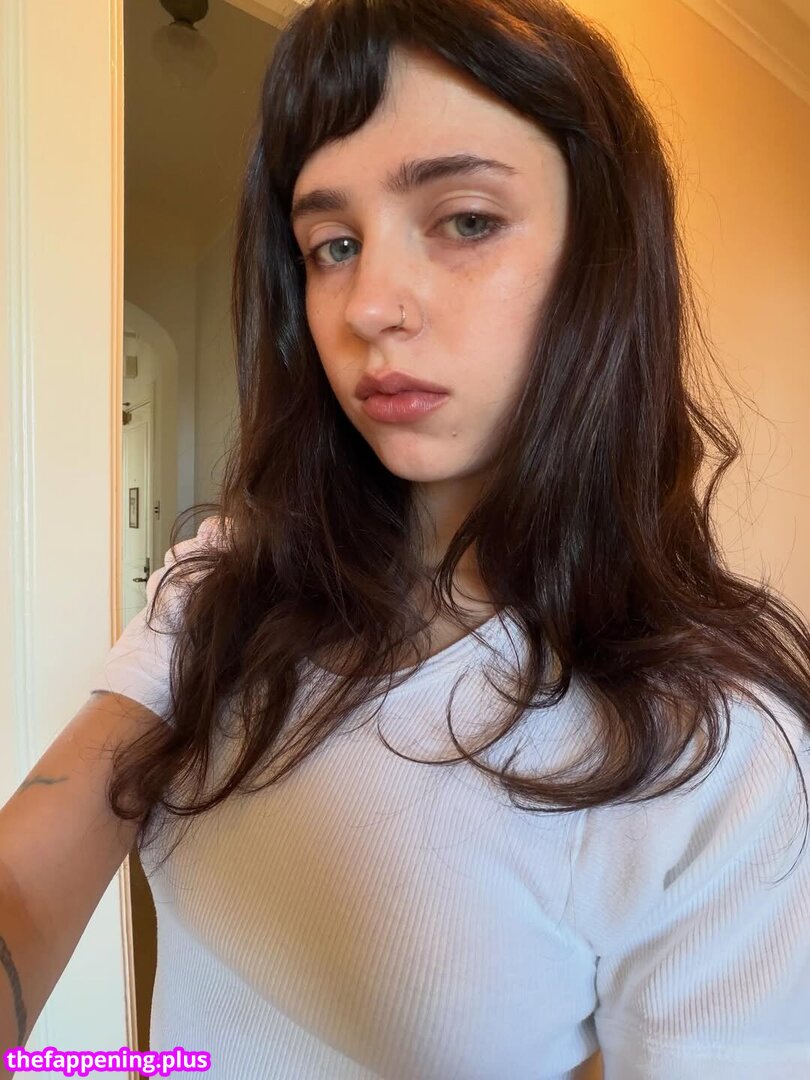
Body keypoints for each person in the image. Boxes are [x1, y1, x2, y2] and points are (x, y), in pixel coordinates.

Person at [2, 0, 809, 1077]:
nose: (368, 305)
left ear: (602, 259)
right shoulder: (220, 587)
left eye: (466, 220)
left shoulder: (719, 751)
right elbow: (26, 882)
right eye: (332, 245)